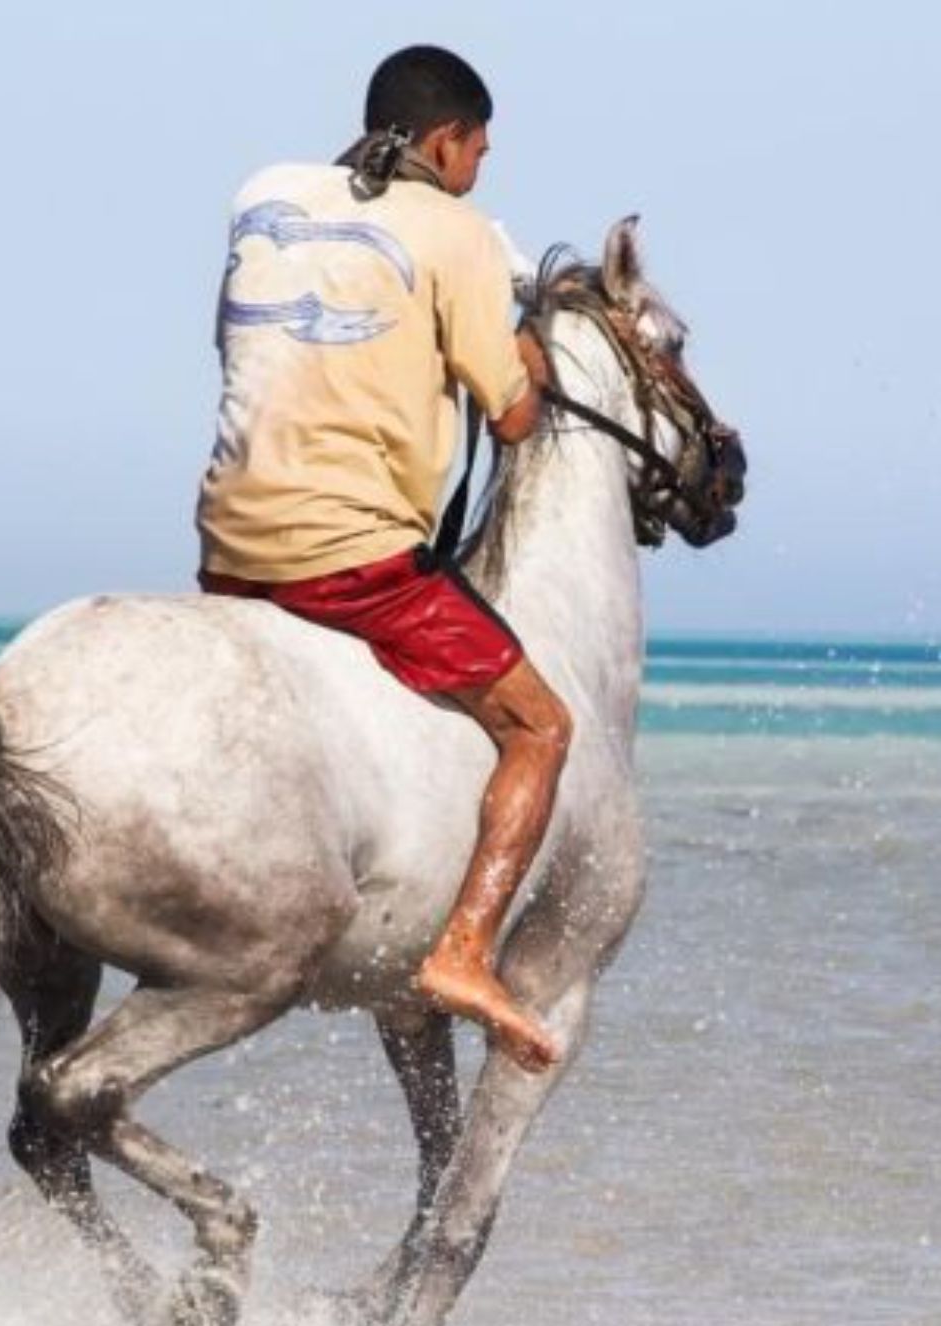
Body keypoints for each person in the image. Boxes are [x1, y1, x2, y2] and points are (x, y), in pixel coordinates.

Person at [195, 44, 569, 1073]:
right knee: (542, 726)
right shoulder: (461, 234)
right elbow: (517, 417)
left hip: (228, 547)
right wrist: (522, 351)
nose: (481, 169)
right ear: (446, 142)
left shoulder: (266, 191)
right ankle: (462, 950)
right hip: (350, 562)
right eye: (479, 150)